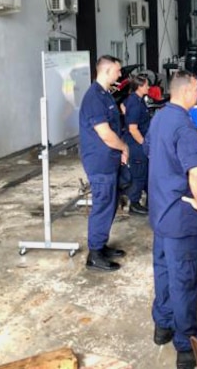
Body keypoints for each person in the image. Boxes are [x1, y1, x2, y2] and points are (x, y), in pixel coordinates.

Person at [146, 70, 197, 367]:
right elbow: (196, 170)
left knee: (164, 271)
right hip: (180, 217)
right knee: (185, 279)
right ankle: (187, 347)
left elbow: (152, 152)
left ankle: (162, 326)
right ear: (186, 90)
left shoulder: (160, 118)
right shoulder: (185, 126)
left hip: (160, 213)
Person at [79, 55, 129, 272]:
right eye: (118, 71)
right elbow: (106, 134)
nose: (120, 75)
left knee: (110, 202)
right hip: (100, 162)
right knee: (102, 204)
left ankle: (101, 245)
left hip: (109, 160)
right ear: (107, 71)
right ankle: (94, 255)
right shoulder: (94, 98)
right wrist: (124, 147)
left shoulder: (105, 95)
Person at [123, 76, 152, 216]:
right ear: (139, 86)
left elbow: (123, 107)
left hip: (139, 142)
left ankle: (148, 201)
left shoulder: (137, 100)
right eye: (147, 85)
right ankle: (133, 204)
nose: (149, 87)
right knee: (139, 175)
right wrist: (144, 145)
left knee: (145, 173)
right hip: (136, 144)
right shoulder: (134, 102)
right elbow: (133, 129)